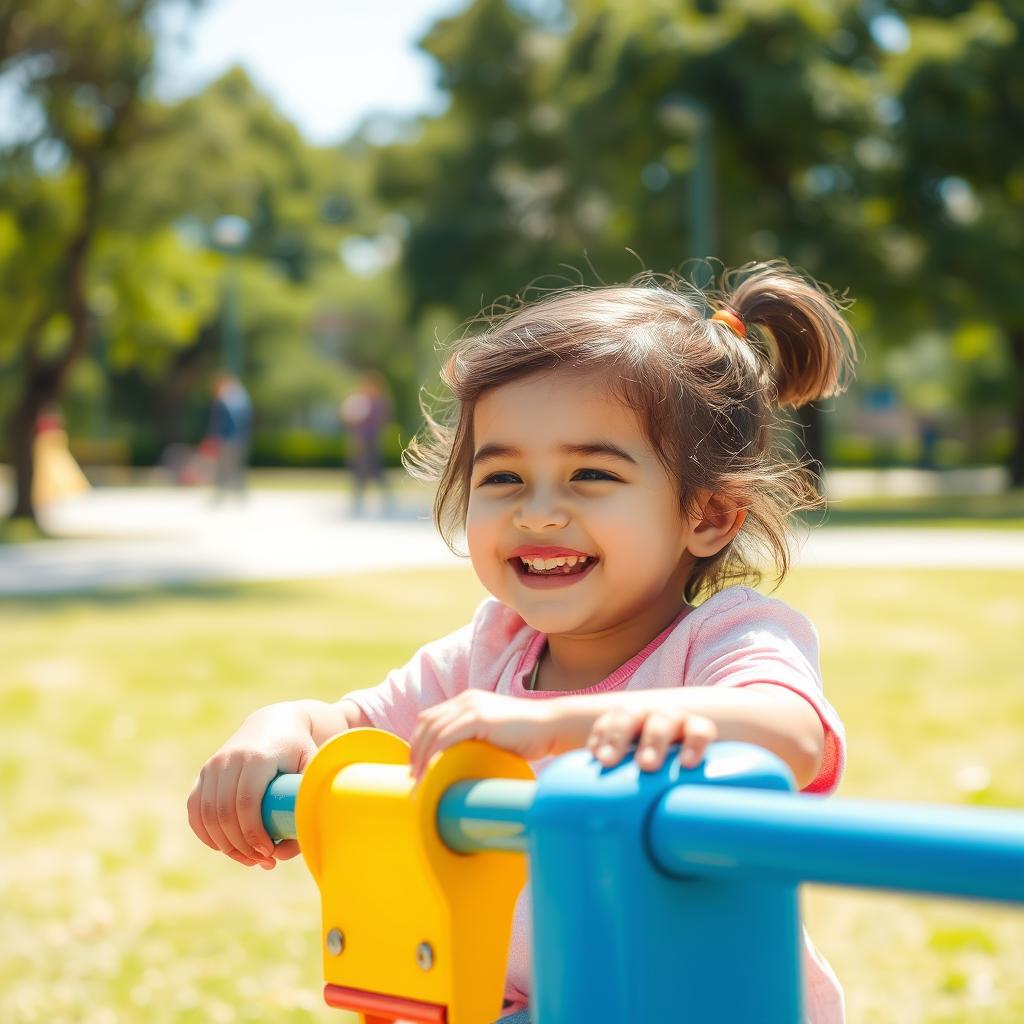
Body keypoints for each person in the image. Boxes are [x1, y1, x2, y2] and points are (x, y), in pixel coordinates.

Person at [188, 262, 857, 1023]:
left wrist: (557, 725)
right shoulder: (492, 651)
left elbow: (793, 733)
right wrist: (276, 724)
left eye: (591, 474)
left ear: (706, 515)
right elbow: (350, 729)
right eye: (502, 478)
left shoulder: (724, 640)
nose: (538, 513)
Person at [339, 371, 393, 515]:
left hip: (371, 440)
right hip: (360, 439)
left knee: (373, 468)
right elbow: (350, 420)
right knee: (358, 469)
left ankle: (385, 496)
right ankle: (358, 498)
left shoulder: (378, 403)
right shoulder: (361, 400)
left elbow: (381, 421)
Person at [204, 373, 252, 499]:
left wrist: (215, 437)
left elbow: (219, 423)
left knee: (223, 468)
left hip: (226, 440)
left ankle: (222, 493)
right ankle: (239, 493)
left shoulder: (225, 401)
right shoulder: (241, 400)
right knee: (236, 468)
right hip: (239, 439)